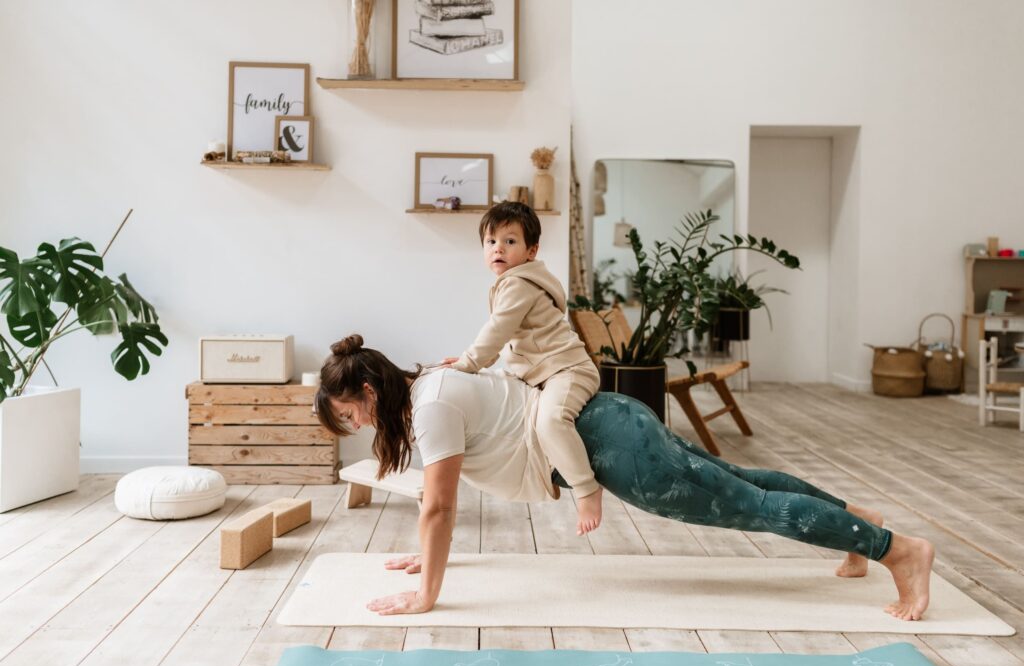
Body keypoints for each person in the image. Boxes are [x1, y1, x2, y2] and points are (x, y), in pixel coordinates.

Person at [314, 335, 935, 622]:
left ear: (367, 391)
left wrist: (428, 594)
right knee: (743, 480)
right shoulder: (431, 390)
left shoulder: (430, 408)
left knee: (747, 506)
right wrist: (427, 558)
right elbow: (436, 503)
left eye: (351, 414)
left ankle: (897, 551)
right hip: (612, 423)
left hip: (612, 449)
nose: (359, 425)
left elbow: (439, 509)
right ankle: (863, 531)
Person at [443, 201, 604, 536]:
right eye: (491, 241)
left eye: (510, 241)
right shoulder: (514, 281)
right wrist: (471, 363)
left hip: (568, 370)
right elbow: (506, 340)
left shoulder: (519, 283)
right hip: (540, 373)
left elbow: (497, 330)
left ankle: (587, 489)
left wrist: (469, 363)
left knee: (550, 421)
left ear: (531, 251)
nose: (498, 248)